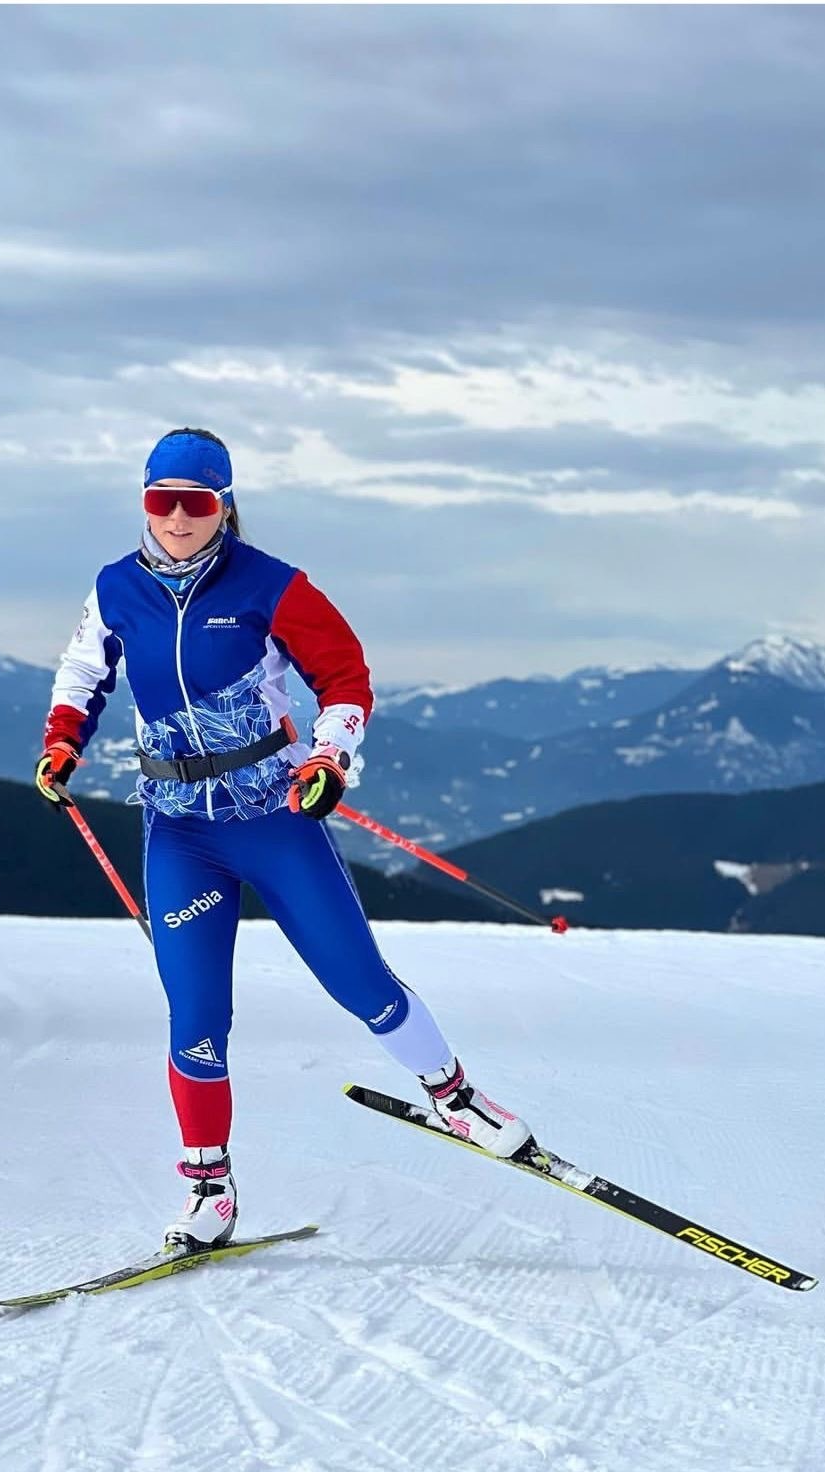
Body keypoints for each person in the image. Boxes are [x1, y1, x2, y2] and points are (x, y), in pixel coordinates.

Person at [36, 427, 531, 1249]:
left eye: (198, 502)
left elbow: (345, 676)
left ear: (224, 503)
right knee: (195, 1013)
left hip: (273, 815)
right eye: (164, 501)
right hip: (178, 827)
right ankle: (209, 1192)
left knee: (358, 979)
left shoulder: (272, 585)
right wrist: (62, 741)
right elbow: (84, 674)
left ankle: (456, 1100)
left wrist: (332, 758)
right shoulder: (115, 587)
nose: (180, 518)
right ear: (144, 502)